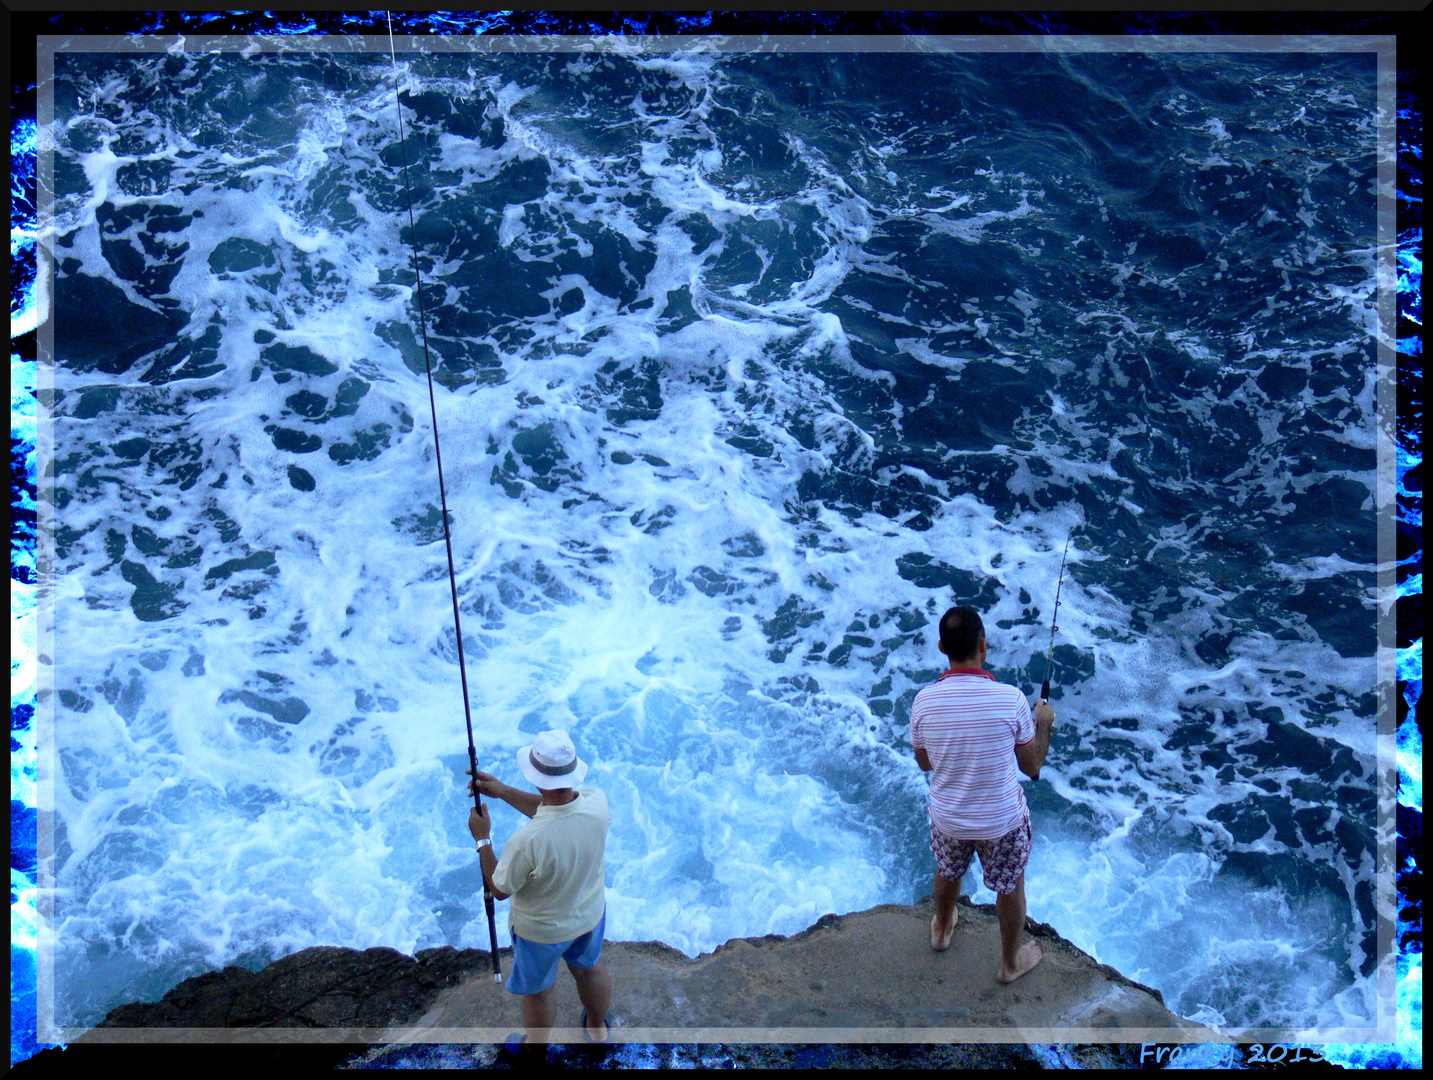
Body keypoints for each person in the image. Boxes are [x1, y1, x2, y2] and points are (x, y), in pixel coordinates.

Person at [911, 605, 1055, 983]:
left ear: (942, 647)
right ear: (984, 646)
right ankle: (1009, 964)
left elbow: (924, 763)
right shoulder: (1010, 700)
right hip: (1002, 823)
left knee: (947, 870)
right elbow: (1032, 766)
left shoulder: (924, 702)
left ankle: (942, 930)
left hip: (949, 818)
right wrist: (1044, 725)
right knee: (1010, 889)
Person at [466, 728, 613, 1053]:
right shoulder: (597, 802)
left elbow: (499, 888)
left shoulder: (527, 841)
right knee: (591, 971)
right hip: (589, 917)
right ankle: (598, 1032)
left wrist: (483, 837)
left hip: (541, 934)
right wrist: (503, 792)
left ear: (536, 778)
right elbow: (556, 809)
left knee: (540, 992)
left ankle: (535, 1051)